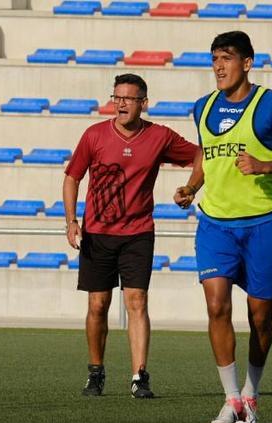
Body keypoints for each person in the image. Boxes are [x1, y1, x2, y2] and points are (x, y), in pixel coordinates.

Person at [173, 31, 272, 423]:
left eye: (227, 58)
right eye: (214, 58)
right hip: (214, 223)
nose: (218, 66)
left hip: (261, 224)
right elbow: (205, 155)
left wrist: (265, 165)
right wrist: (191, 187)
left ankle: (252, 394)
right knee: (216, 306)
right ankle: (231, 400)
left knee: (260, 319)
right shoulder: (202, 107)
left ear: (247, 63)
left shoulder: (271, 106)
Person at [63, 73, 198, 398]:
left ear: (143, 103)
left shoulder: (160, 136)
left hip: (138, 233)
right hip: (97, 233)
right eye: (117, 97)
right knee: (98, 304)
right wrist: (71, 221)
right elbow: (72, 177)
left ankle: (140, 376)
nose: (121, 103)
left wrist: (191, 188)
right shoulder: (94, 135)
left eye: (128, 98)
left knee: (137, 301)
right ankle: (95, 372)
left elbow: (201, 155)